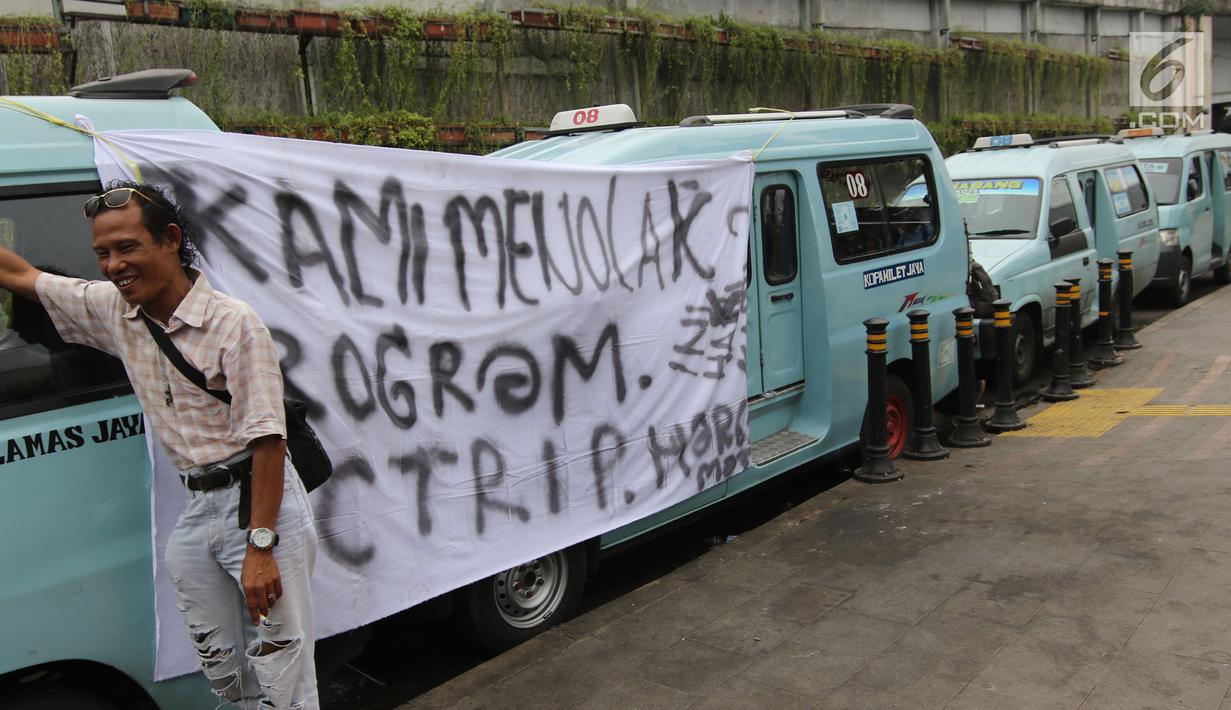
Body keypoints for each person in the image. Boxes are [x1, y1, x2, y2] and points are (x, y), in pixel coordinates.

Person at [0, 181, 318, 710]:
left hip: (261, 507)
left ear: (169, 239)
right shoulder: (113, 310)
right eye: (102, 253)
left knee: (282, 674)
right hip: (196, 511)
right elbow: (19, 275)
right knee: (222, 670)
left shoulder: (232, 322)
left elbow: (268, 439)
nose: (113, 265)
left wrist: (261, 548)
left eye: (128, 248)